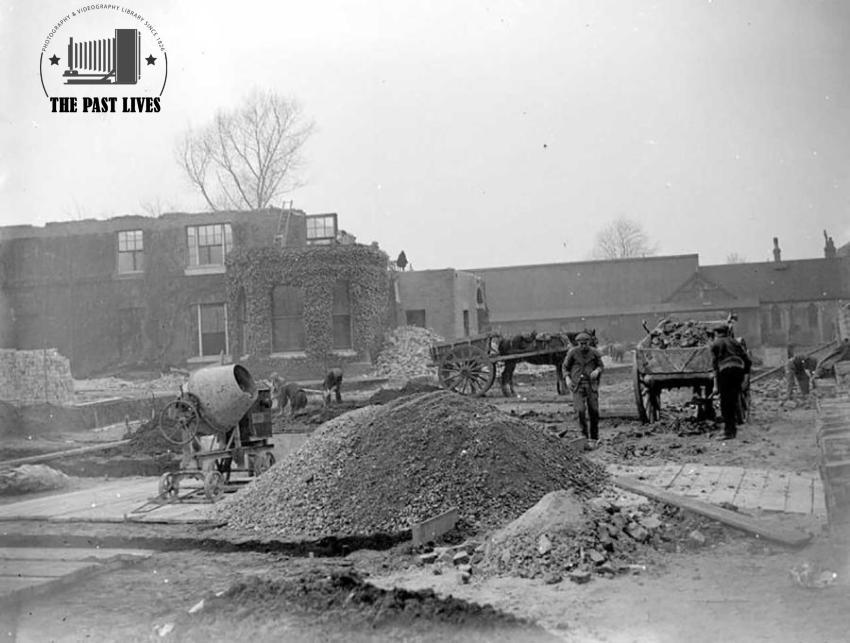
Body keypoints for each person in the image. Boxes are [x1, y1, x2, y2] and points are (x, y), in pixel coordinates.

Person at [561, 332, 604, 447]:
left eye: (585, 344)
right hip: (577, 385)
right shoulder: (572, 353)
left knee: (594, 410)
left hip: (591, 385)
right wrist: (567, 379)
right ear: (577, 343)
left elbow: (601, 366)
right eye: (581, 344)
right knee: (580, 410)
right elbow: (565, 367)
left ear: (589, 343)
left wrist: (597, 371)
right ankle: (583, 436)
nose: (583, 346)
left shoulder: (594, 353)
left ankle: (594, 438)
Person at [710, 324, 752, 441]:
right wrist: (745, 378)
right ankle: (732, 430)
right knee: (733, 400)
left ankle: (729, 432)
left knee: (725, 403)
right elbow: (747, 361)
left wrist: (715, 386)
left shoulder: (715, 344)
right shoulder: (735, 343)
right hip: (738, 371)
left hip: (726, 372)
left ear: (717, 334)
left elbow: (715, 367)